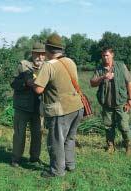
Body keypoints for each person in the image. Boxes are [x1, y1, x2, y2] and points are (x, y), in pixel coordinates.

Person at [33, 34, 84, 178]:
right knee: (70, 138)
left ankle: (56, 171)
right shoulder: (70, 61)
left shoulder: (48, 66)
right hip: (77, 107)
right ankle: (70, 165)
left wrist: (33, 81)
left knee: (56, 141)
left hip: (60, 110)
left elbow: (38, 89)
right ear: (60, 49)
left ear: (48, 49)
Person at [90, 47, 131, 155]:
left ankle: (128, 146)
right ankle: (110, 146)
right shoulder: (99, 69)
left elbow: (129, 83)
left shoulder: (121, 66)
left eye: (107, 55)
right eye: (103, 56)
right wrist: (103, 77)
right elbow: (92, 83)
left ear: (112, 55)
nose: (105, 58)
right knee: (108, 126)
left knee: (124, 126)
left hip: (121, 103)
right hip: (106, 104)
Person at [11, 42, 45, 167]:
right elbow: (13, 83)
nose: (40, 57)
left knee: (37, 134)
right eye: (37, 54)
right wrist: (26, 84)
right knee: (19, 134)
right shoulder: (23, 65)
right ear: (32, 53)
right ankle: (16, 158)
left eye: (43, 54)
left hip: (38, 107)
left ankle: (34, 158)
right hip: (22, 107)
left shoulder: (47, 67)